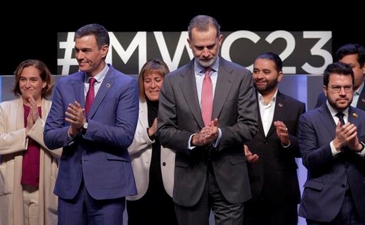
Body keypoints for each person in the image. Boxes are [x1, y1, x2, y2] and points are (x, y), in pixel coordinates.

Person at [156, 14, 258, 225]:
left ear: (220, 40)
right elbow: (164, 131)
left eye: (211, 46)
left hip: (231, 179)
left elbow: (249, 126)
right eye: (199, 47)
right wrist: (194, 139)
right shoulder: (173, 81)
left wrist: (219, 134)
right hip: (189, 179)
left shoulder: (241, 76)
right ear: (189, 44)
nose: (205, 53)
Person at [43, 23, 139, 225]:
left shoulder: (125, 85)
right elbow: (49, 136)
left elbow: (124, 136)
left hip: (108, 187)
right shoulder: (65, 85)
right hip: (71, 188)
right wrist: (71, 130)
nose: (79, 56)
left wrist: (85, 126)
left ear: (104, 50)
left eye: (86, 50)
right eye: (77, 50)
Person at [299, 61, 365, 225]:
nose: (343, 93)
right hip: (322, 205)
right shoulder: (308, 119)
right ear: (325, 90)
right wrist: (336, 144)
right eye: (336, 88)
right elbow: (309, 160)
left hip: (358, 205)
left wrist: (358, 147)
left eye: (348, 87)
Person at [0, 59, 61, 225]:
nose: (27, 84)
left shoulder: (55, 110)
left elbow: (62, 148)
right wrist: (26, 132)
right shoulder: (4, 108)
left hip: (44, 188)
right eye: (23, 79)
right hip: (13, 187)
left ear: (44, 83)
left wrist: (36, 127)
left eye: (33, 79)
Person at [243, 52, 306, 225]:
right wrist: (239, 149)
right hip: (247, 191)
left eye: (265, 71)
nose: (259, 76)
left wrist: (287, 141)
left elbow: (304, 148)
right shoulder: (240, 104)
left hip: (283, 194)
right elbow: (230, 136)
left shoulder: (296, 107)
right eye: (256, 71)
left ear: (279, 75)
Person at [126, 58, 178, 225]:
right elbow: (123, 145)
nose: (152, 85)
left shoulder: (178, 107)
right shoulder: (131, 107)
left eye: (158, 80)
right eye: (147, 81)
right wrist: (150, 133)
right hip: (140, 188)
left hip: (172, 188)